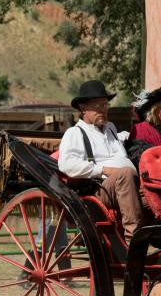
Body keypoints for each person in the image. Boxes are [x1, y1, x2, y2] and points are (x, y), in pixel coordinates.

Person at [58, 80, 142, 241]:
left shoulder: (110, 128)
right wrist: (102, 170)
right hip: (99, 190)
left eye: (105, 105)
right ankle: (134, 239)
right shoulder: (75, 133)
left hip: (126, 186)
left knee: (156, 193)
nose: (104, 110)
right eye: (98, 106)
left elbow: (120, 143)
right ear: (83, 109)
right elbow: (66, 164)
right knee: (125, 173)